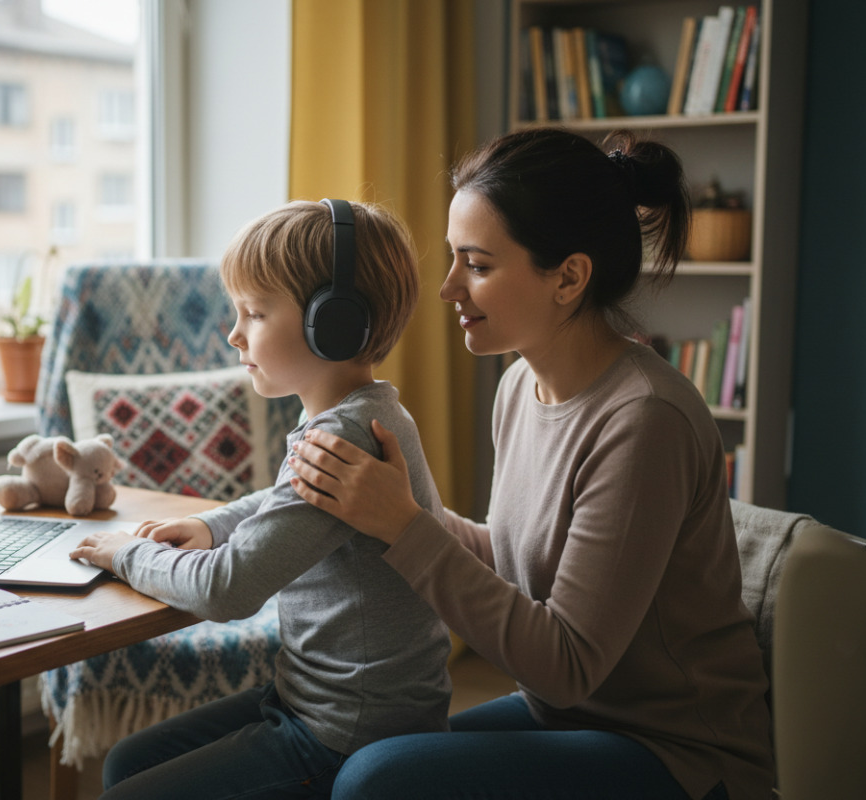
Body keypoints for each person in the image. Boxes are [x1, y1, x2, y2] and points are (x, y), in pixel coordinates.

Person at [287, 128, 774, 800]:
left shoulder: (643, 421)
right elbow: (520, 559)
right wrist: (404, 510)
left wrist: (406, 528)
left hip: (676, 754)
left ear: (569, 277)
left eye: (478, 265)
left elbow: (565, 663)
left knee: (376, 781)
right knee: (354, 753)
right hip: (568, 718)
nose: (448, 287)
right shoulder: (521, 384)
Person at [68, 199, 453, 798]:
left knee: (125, 791)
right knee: (127, 764)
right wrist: (212, 525)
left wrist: (126, 555)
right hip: (310, 700)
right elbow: (288, 499)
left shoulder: (343, 432)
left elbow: (228, 588)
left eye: (253, 312)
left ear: (335, 323)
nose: (233, 333)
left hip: (345, 730)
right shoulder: (364, 411)